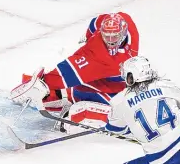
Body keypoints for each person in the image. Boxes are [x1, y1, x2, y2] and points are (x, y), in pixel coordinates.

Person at [9, 12, 139, 131]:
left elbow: (69, 73)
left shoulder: (107, 59)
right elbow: (97, 21)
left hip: (114, 93)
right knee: (70, 92)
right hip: (102, 84)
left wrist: (45, 83)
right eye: (107, 36)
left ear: (122, 32)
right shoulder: (126, 22)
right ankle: (65, 99)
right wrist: (89, 35)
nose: (110, 41)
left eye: (114, 37)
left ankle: (73, 114)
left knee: (114, 115)